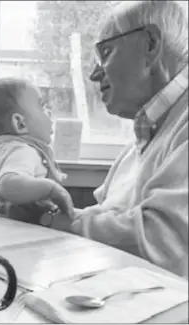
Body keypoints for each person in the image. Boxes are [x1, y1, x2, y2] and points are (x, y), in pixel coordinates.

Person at [68, 0, 188, 278]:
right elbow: (105, 216)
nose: (94, 74)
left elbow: (162, 241)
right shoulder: (143, 135)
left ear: (150, 44)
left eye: (105, 52)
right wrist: (55, 211)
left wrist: (56, 220)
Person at [0, 77, 74, 227]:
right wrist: (51, 189)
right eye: (42, 107)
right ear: (20, 123)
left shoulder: (11, 150)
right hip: (18, 234)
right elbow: (8, 183)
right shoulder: (22, 151)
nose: (49, 113)